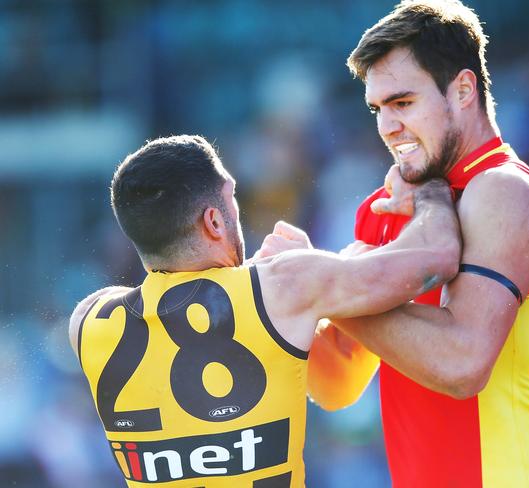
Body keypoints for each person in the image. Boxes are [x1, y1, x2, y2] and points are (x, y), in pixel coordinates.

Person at [68, 134, 461, 487]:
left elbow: (336, 388)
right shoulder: (279, 288)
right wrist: (430, 187)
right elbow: (436, 257)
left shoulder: (87, 321)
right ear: (214, 221)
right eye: (231, 198)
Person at [306, 1, 529, 487]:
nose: (387, 126)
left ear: (462, 90)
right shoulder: (388, 206)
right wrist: (278, 291)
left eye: (403, 102)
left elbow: (462, 365)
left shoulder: (505, 191)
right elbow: (337, 385)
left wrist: (327, 283)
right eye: (378, 108)